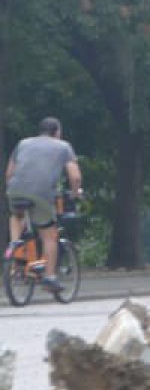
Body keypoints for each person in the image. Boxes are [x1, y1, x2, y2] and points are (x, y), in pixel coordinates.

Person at [6, 117, 82, 283]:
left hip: (15, 190)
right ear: (57, 132)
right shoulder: (63, 146)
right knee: (49, 235)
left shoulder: (23, 143)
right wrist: (76, 192)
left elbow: (9, 173)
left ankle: (15, 248)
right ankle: (49, 276)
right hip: (42, 194)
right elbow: (75, 177)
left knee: (17, 216)